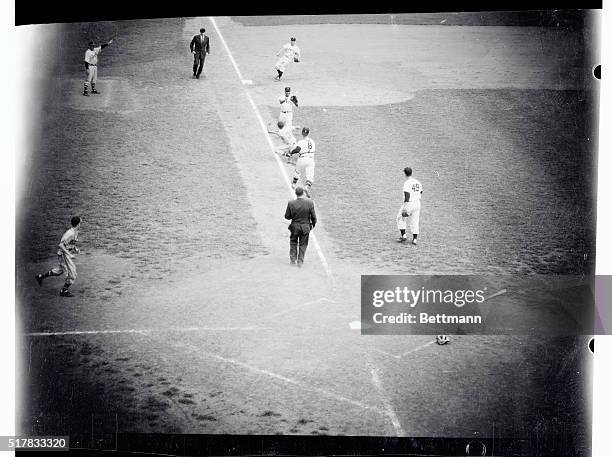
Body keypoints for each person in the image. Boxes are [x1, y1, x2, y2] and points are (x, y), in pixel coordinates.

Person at [35, 216, 82, 297]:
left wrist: (75, 248)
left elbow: (69, 243)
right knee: (72, 274)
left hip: (65, 254)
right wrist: (69, 254)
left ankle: (40, 276)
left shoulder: (75, 232)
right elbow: (61, 245)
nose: (81, 224)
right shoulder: (70, 233)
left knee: (60, 270)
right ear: (78, 224)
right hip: (63, 254)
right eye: (80, 223)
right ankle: (64, 291)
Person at [284, 187, 317, 267]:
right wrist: (312, 225)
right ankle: (300, 261)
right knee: (303, 244)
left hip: (295, 227)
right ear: (303, 193)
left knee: (293, 242)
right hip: (305, 227)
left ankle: (292, 260)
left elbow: (287, 216)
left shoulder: (291, 203)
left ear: (296, 193)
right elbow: (313, 217)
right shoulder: (310, 203)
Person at [287, 127, 316, 197]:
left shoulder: (301, 142)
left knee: (297, 172)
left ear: (302, 133)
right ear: (308, 133)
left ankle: (294, 184)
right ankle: (306, 187)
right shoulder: (312, 141)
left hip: (302, 159)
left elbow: (297, 150)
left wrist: (290, 153)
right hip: (310, 160)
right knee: (310, 176)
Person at [396, 167, 422, 244]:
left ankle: (403, 236)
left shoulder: (407, 183)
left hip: (410, 203)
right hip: (417, 203)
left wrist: (405, 207)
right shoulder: (417, 182)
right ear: (411, 173)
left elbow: (407, 195)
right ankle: (414, 239)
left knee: (400, 217)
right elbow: (421, 192)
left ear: (405, 174)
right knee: (415, 221)